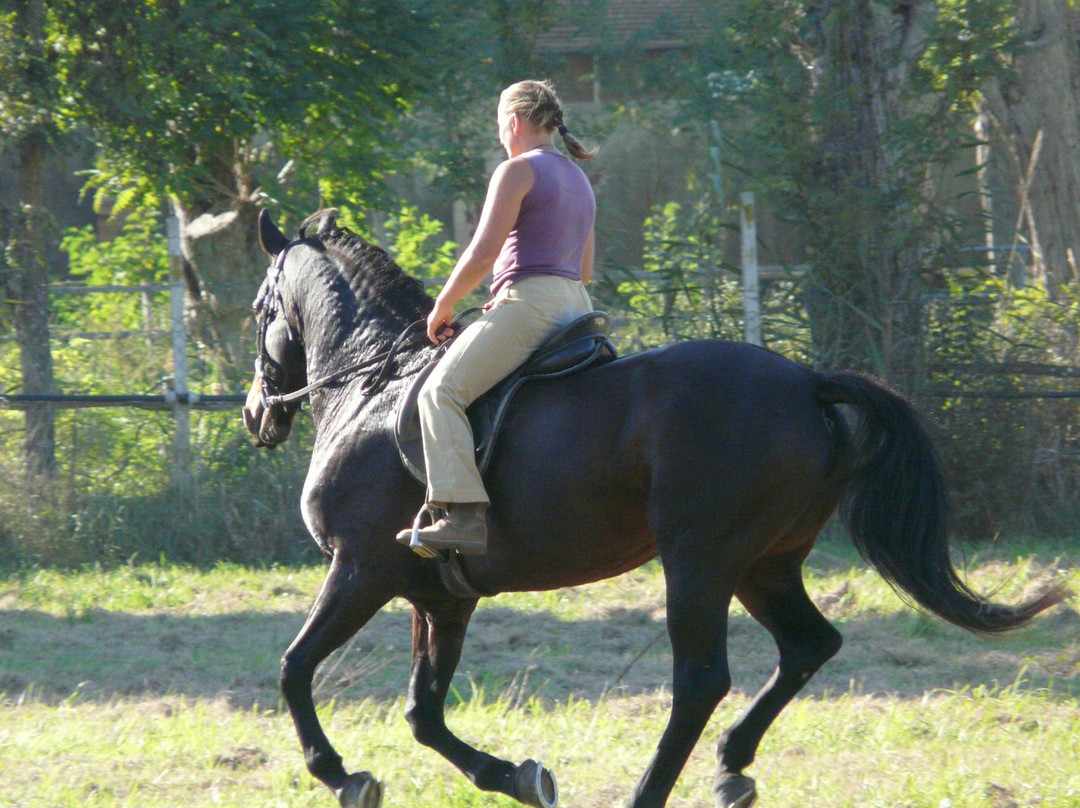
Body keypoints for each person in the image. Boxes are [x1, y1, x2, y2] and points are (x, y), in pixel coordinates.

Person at [396, 79, 598, 556]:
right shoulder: (579, 177)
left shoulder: (516, 171)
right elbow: (584, 270)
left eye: (499, 126)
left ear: (514, 122)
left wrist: (442, 305)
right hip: (578, 306)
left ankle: (463, 516)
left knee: (439, 392)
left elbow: (484, 252)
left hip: (533, 304)